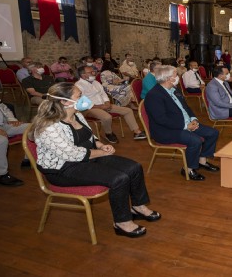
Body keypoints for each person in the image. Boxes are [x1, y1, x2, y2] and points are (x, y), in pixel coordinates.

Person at [30, 83, 160, 238]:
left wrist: (100, 145)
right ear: (64, 102)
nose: (83, 98)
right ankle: (122, 222)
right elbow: (72, 154)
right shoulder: (49, 126)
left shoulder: (76, 114)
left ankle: (138, 207)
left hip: (87, 157)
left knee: (134, 167)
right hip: (63, 169)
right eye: (78, 96)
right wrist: (99, 153)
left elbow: (90, 136)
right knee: (119, 179)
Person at [144, 65, 220, 181]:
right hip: (166, 130)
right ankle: (188, 169)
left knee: (212, 133)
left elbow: (186, 108)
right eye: (176, 75)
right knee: (195, 140)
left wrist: (194, 119)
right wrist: (185, 126)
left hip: (185, 123)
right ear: (168, 78)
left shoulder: (175, 89)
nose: (178, 77)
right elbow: (161, 119)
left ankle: (202, 161)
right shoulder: (154, 95)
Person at [75, 66, 146, 143]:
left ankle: (137, 132)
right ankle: (108, 133)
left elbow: (103, 94)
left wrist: (107, 103)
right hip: (90, 108)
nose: (94, 73)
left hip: (103, 105)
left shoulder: (96, 82)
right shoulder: (78, 85)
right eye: (90, 72)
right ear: (83, 74)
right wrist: (101, 107)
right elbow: (82, 102)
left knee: (128, 110)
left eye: (93, 71)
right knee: (107, 117)